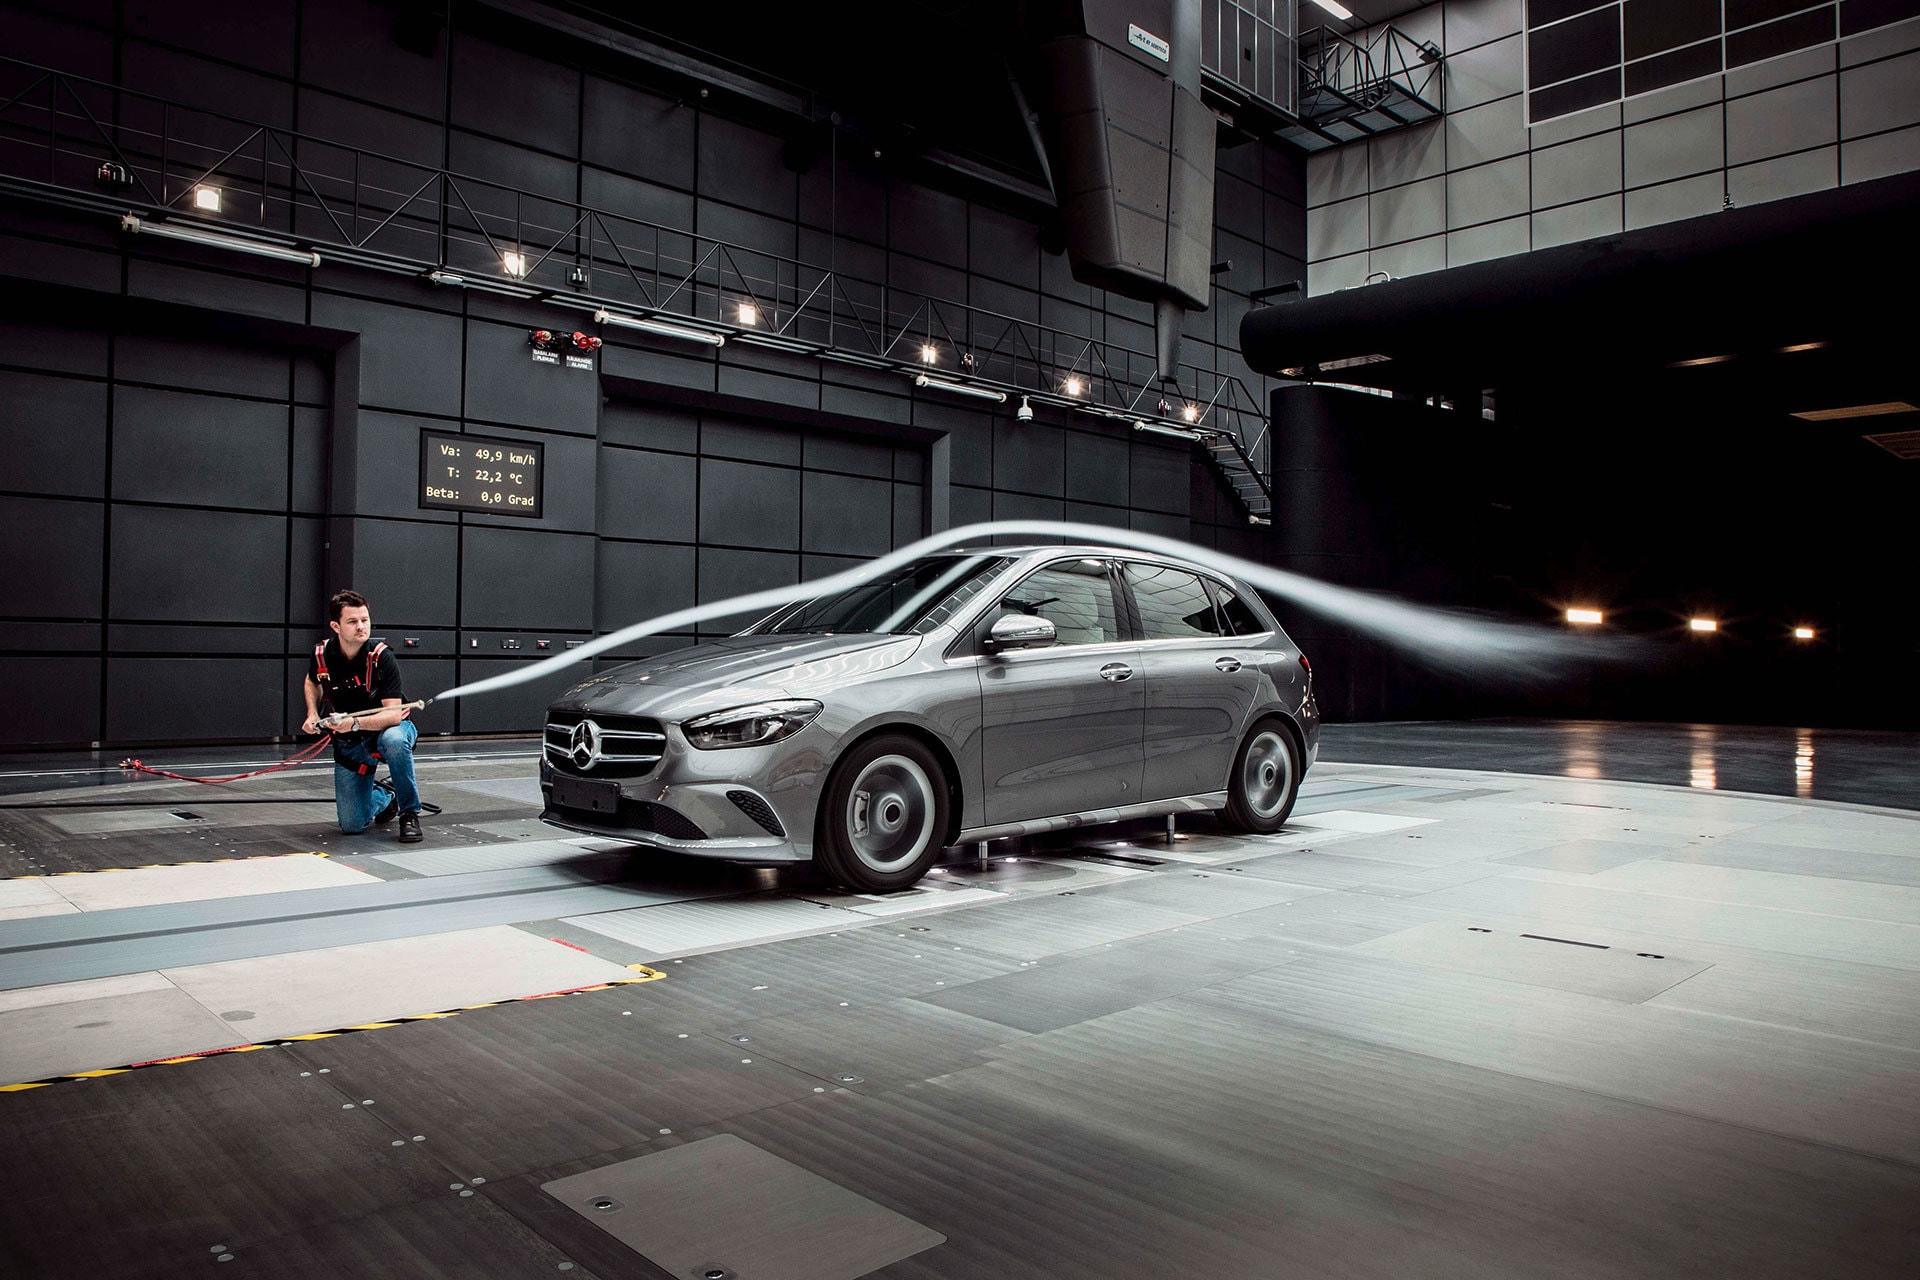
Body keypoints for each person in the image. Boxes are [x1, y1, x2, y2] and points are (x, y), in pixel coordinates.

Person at [302, 589, 425, 842]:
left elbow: (392, 716)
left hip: (388, 729)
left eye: (364, 620)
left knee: (395, 740)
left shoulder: (382, 657)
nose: (361, 626)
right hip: (351, 741)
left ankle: (409, 813)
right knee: (351, 824)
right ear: (336, 626)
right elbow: (312, 680)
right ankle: (387, 794)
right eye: (352, 621)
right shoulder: (321, 654)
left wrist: (354, 723)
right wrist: (312, 713)